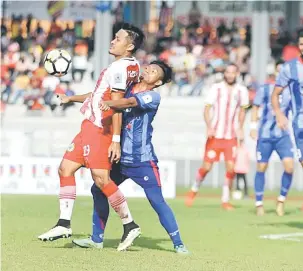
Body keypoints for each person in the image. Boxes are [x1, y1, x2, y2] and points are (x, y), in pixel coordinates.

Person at [38, 24, 145, 249]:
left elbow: (116, 105)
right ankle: (64, 223)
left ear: (130, 46)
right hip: (90, 126)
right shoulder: (130, 66)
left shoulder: (118, 68)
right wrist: (71, 98)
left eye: (118, 38)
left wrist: (115, 139)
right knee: (65, 169)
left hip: (101, 129)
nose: (113, 41)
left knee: (101, 179)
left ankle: (129, 224)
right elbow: (99, 94)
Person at [72, 61, 189, 254]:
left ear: (158, 82)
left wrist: (108, 103)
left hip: (142, 160)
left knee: (156, 200)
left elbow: (129, 103)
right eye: (148, 67)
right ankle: (96, 239)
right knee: (98, 189)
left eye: (153, 71)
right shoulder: (126, 87)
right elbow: (97, 97)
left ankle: (178, 243)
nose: (148, 70)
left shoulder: (153, 96)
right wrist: (72, 99)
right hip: (119, 158)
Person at [185, 63, 249, 210]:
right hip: (216, 136)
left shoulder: (242, 91)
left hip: (231, 137)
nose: (230, 75)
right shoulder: (216, 88)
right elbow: (207, 109)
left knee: (231, 168)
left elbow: (242, 111)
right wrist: (209, 127)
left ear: (237, 73)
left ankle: (225, 200)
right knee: (207, 167)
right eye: (228, 72)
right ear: (224, 73)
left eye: (233, 72)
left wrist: (240, 128)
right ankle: (194, 190)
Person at [251, 61, 294, 216]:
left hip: (283, 135)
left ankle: (281, 201)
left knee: (289, 167)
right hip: (265, 135)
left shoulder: (291, 90)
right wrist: (253, 127)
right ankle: (259, 203)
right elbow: (255, 107)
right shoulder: (265, 88)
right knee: (261, 167)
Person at [272, 33, 303, 211]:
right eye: (301, 43)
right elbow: (275, 95)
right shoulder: (289, 68)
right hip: (300, 124)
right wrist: (279, 114)